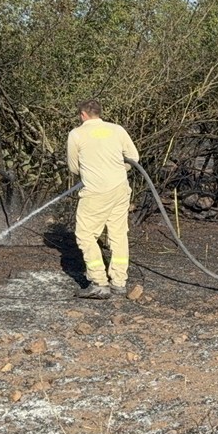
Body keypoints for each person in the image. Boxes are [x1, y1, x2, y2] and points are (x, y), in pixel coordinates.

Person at [66, 99, 139, 299]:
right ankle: (119, 282)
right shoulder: (117, 130)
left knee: (85, 235)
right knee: (118, 234)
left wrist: (93, 174)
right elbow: (133, 157)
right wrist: (115, 170)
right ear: (99, 113)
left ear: (83, 115)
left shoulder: (77, 134)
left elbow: (73, 167)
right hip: (120, 189)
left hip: (96, 192)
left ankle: (98, 282)